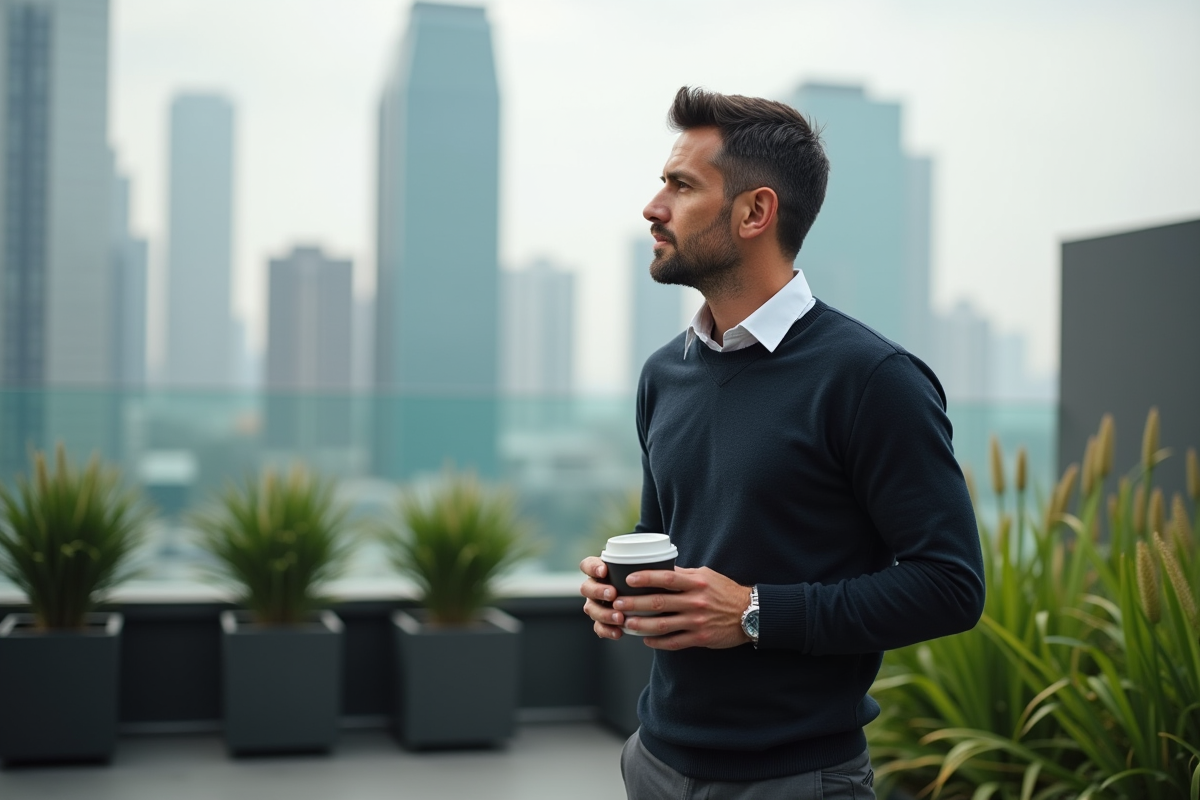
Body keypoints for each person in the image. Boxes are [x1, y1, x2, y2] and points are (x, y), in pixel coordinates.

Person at [579, 86, 986, 799]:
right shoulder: (664, 373)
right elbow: (669, 533)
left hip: (794, 777)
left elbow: (950, 586)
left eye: (681, 185)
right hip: (654, 762)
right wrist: (624, 587)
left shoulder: (871, 378)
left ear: (755, 212)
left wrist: (754, 613)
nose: (653, 206)